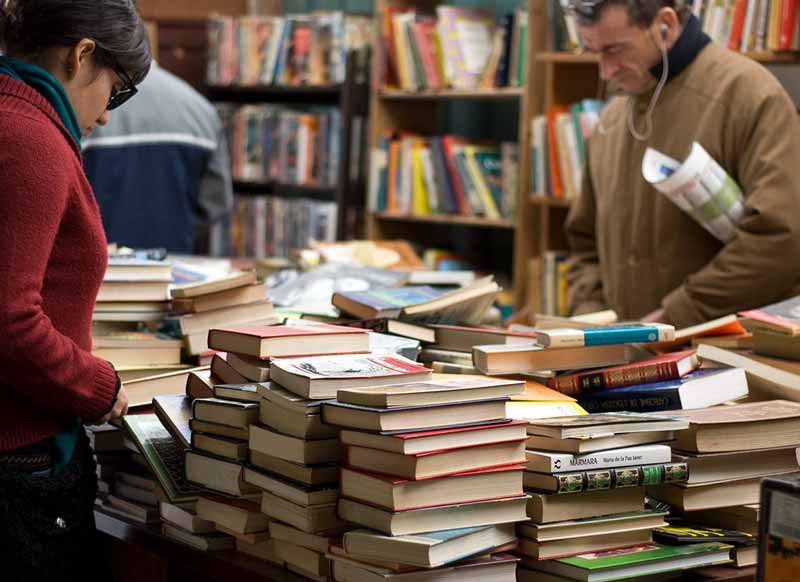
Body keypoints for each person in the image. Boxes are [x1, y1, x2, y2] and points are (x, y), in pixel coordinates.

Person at [0, 0, 150, 579]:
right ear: (81, 53)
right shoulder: (29, 139)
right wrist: (97, 386)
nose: (108, 116)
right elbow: (9, 321)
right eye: (115, 90)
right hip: (20, 462)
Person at [564, 0, 800, 327]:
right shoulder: (611, 120)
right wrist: (590, 321)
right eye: (594, 51)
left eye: (615, 50)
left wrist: (676, 315)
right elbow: (583, 245)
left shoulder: (751, 98)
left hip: (725, 356)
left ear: (666, 25)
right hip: (619, 356)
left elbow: (779, 241)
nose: (606, 71)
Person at [83, 61, 234, 255]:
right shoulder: (200, 110)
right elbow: (216, 202)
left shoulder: (89, 110)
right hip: (173, 264)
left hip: (103, 267)